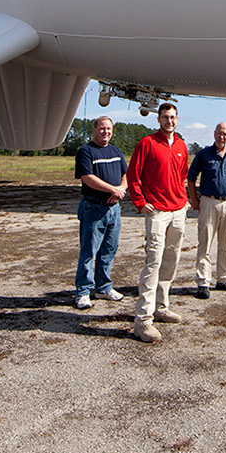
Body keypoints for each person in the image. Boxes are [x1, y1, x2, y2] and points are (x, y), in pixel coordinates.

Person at [126, 102, 190, 343]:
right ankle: (143, 321)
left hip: (178, 211)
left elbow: (182, 175)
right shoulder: (147, 143)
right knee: (152, 262)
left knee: (171, 260)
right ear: (158, 119)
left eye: (172, 117)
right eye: (165, 117)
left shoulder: (182, 145)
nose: (169, 121)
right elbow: (133, 174)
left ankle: (161, 307)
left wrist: (183, 201)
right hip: (157, 212)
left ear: (177, 119)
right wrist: (140, 202)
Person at [188, 122, 226, 299]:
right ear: (214, 134)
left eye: (225, 134)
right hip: (208, 202)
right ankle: (203, 282)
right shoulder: (204, 154)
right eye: (219, 133)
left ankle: (224, 279)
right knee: (205, 243)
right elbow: (191, 178)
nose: (222, 136)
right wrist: (195, 200)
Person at [73, 116, 127, 309]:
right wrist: (112, 190)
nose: (106, 132)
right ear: (95, 130)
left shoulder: (116, 151)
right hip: (93, 207)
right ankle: (83, 291)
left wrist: (120, 190)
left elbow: (124, 174)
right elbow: (87, 177)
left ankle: (103, 287)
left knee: (109, 250)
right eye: (102, 129)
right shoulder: (86, 151)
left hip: (114, 209)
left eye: (109, 129)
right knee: (89, 251)